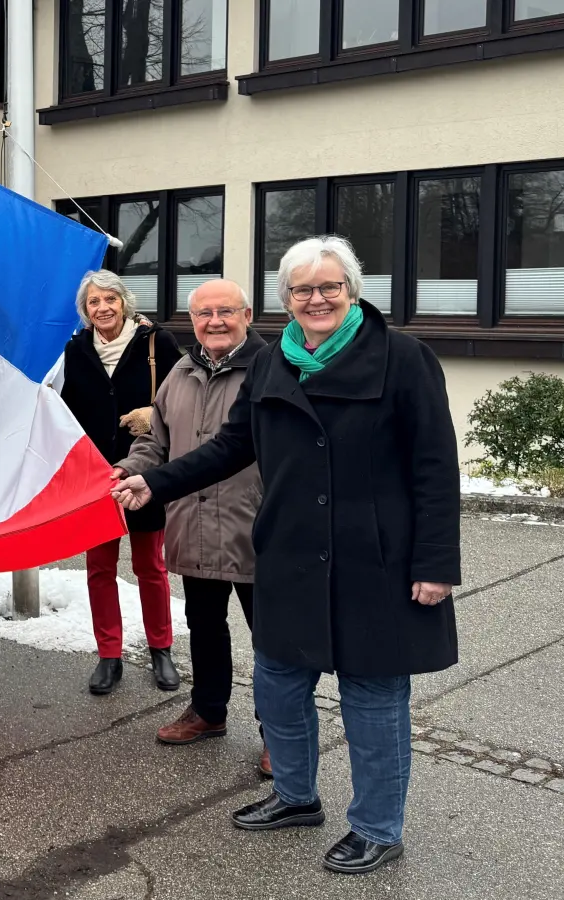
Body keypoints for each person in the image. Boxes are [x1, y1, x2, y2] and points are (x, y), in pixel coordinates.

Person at [113, 235, 459, 875]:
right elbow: (231, 445)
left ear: (351, 292)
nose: (317, 298)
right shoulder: (274, 364)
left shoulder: (404, 359)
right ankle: (296, 797)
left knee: (372, 699)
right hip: (291, 552)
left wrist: (436, 564)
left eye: (329, 286)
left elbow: (436, 466)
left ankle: (378, 827)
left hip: (375, 560)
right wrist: (155, 482)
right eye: (303, 289)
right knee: (277, 685)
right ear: (287, 300)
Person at [114, 279, 270, 775]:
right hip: (192, 521)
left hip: (255, 526)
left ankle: (280, 731)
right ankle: (208, 710)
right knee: (203, 625)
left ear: (247, 314)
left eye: (225, 311)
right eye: (203, 313)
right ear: (191, 320)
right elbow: (155, 441)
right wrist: (132, 467)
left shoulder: (271, 370)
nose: (214, 321)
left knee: (272, 637)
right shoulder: (180, 371)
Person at [57, 269, 183, 696]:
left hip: (146, 471)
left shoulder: (156, 342)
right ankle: (108, 654)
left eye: (110, 299)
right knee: (99, 569)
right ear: (85, 310)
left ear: (124, 302)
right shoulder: (75, 350)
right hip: (95, 475)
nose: (103, 308)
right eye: (94, 302)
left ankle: (160, 649)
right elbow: (64, 409)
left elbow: (182, 395)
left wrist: (154, 412)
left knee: (150, 565)